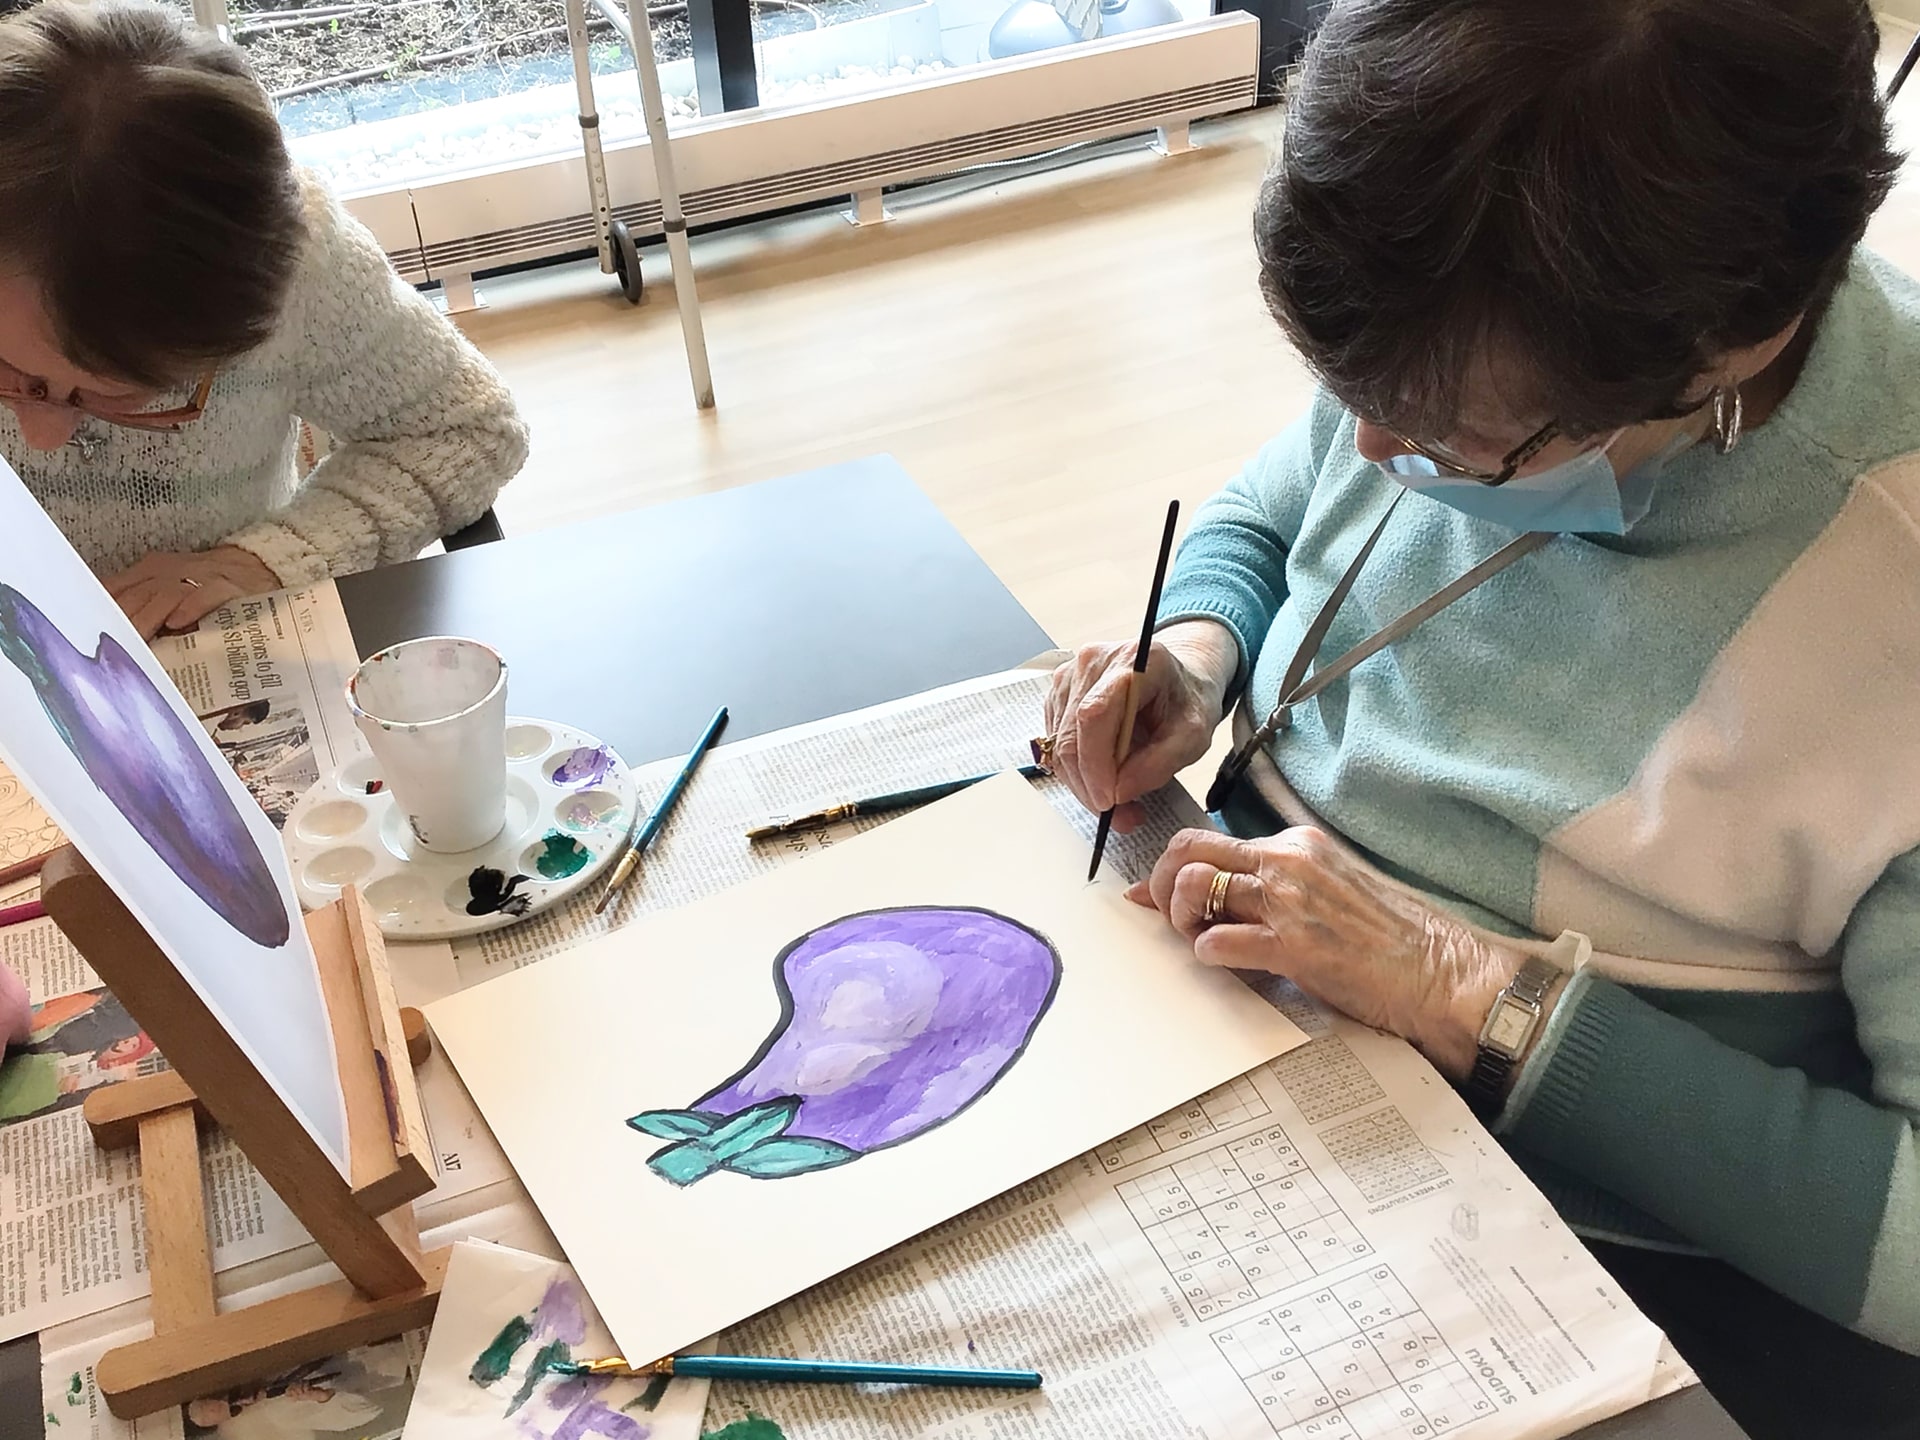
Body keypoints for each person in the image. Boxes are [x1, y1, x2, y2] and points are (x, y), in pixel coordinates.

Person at [1044, 2, 1920, 1435]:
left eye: (1455, 438)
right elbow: (1282, 503)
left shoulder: (1890, 588)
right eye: (1350, 388)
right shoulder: (1462, 309)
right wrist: (1196, 653)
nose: (1379, 447)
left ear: (1728, 345)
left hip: (1592, 1245)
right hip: (1240, 1019)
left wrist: (1469, 992)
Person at [0, 0, 529, 639]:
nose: (43, 436)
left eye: (115, 395)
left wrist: (260, 562)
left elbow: (465, 432)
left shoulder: (300, 267)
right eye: (8, 372)